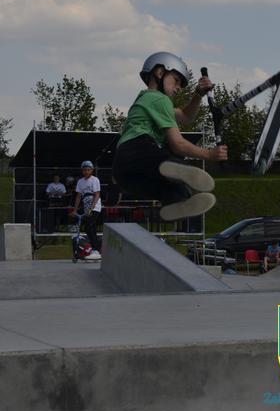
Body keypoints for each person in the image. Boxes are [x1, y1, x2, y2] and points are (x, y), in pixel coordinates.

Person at [112, 52, 228, 221]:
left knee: (173, 186)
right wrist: (209, 154)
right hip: (138, 150)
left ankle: (177, 202)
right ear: (160, 73)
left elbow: (185, 116)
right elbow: (178, 144)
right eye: (176, 80)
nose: (179, 88)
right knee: (174, 156)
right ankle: (173, 173)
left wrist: (198, 94)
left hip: (125, 174)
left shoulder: (146, 99)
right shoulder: (160, 100)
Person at [71, 161, 102, 258]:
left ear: (91, 170)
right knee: (89, 229)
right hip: (86, 208)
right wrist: (75, 210)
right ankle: (96, 248)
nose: (86, 172)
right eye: (84, 170)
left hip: (95, 207)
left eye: (88, 170)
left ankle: (96, 250)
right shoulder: (80, 181)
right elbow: (78, 196)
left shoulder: (95, 180)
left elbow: (97, 194)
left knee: (89, 226)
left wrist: (92, 208)